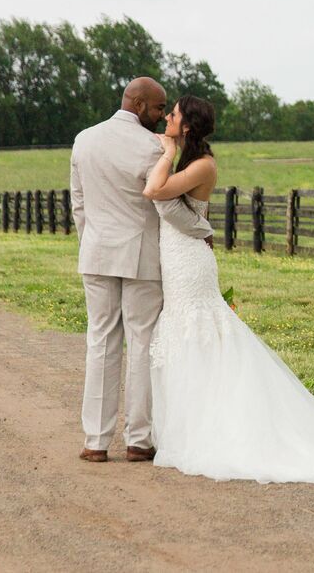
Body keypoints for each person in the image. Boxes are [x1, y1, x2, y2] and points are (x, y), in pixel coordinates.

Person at [143, 95, 314, 483]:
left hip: (190, 262)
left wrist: (167, 151)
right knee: (181, 335)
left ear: (186, 127)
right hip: (175, 257)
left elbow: (155, 191)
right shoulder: (190, 159)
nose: (166, 118)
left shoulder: (203, 165)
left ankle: (218, 428)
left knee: (198, 332)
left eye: (172, 116)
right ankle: (188, 425)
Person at [70, 77, 215, 463]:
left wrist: (92, 242)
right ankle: (138, 439)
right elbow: (166, 207)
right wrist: (203, 230)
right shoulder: (154, 147)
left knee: (100, 341)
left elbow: (78, 203)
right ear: (138, 105)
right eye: (157, 108)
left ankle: (95, 442)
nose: (161, 115)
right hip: (141, 258)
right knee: (142, 343)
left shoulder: (84, 139)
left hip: (97, 253)